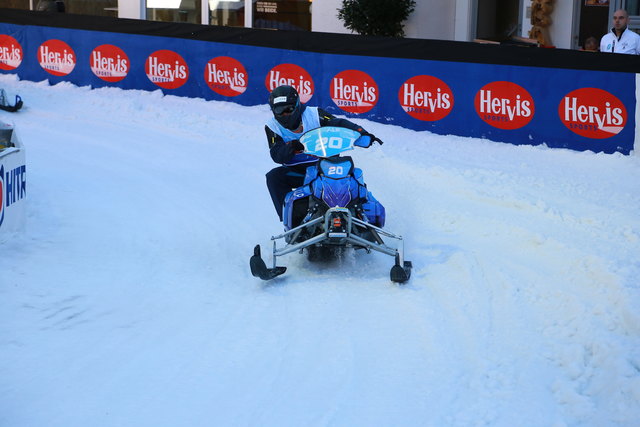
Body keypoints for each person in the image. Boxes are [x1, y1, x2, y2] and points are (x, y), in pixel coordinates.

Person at [264, 85, 382, 221]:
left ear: (297, 106)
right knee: (274, 177)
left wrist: (361, 133)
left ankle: (363, 214)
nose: (285, 114)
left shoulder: (314, 115)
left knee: (354, 174)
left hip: (326, 169)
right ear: (273, 111)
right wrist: (291, 146)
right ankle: (290, 221)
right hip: (300, 174)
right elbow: (277, 155)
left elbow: (337, 123)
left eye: (289, 109)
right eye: (280, 111)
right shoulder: (273, 127)